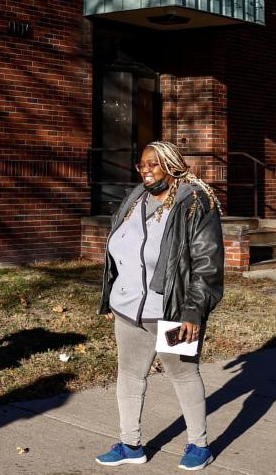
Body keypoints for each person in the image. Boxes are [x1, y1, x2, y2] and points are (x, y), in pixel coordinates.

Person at [96, 140, 225, 470]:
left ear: (173, 165)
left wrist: (194, 310)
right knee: (129, 375)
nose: (146, 170)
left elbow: (207, 263)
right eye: (142, 165)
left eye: (154, 164)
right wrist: (112, 292)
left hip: (173, 310)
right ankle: (130, 444)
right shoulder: (136, 197)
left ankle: (199, 444)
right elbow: (119, 247)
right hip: (128, 308)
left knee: (183, 374)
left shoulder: (194, 203)